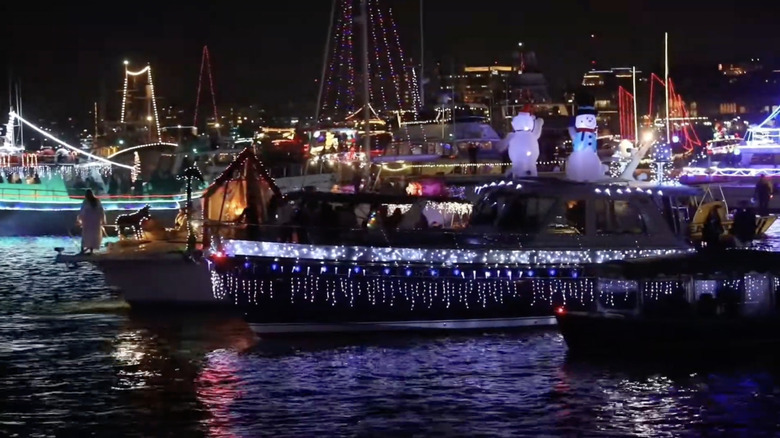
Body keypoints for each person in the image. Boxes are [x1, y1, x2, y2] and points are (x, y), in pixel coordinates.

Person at [77, 189, 105, 254]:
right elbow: (101, 211)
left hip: (87, 222)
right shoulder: (97, 201)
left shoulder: (86, 202)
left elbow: (82, 211)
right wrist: (102, 219)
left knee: (86, 235)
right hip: (96, 222)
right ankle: (91, 250)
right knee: (94, 236)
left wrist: (79, 220)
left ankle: (83, 250)